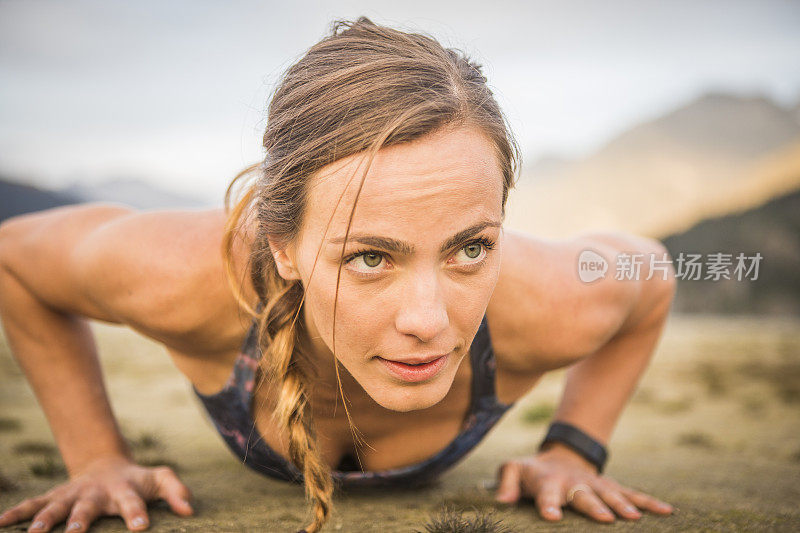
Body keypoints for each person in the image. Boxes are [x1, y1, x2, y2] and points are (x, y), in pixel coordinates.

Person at [0, 16, 677, 533]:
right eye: (370, 257)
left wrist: (572, 449)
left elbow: (652, 275)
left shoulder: (549, 300)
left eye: (470, 248)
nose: (429, 320)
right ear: (283, 246)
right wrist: (95, 457)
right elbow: (16, 259)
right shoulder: (188, 276)